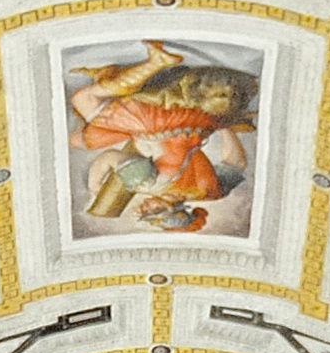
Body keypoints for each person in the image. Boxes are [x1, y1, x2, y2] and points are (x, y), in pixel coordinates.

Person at [69, 40, 258, 231]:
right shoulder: (148, 184)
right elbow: (109, 157)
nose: (143, 209)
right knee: (84, 99)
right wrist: (95, 184)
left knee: (80, 140)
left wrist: (223, 125)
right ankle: (156, 62)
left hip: (202, 123)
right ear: (168, 207)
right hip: (155, 120)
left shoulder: (211, 193)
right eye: (150, 211)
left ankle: (116, 76)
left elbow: (237, 163)